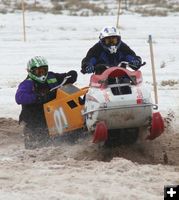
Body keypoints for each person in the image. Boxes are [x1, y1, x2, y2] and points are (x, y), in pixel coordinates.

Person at [15, 56, 77, 149]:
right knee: (38, 145)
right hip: (35, 119)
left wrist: (72, 75)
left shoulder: (52, 77)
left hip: (54, 115)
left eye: (43, 71)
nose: (41, 74)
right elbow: (19, 98)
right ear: (31, 72)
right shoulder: (28, 83)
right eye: (38, 72)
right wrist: (38, 97)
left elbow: (66, 77)